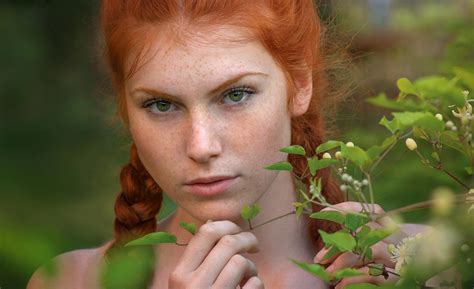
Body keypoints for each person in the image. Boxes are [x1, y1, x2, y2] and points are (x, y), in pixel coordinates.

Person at [27, 1, 429, 288]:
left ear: (299, 85)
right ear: (125, 108)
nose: (201, 146)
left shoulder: (429, 264)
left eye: (235, 95)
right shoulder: (68, 281)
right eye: (161, 104)